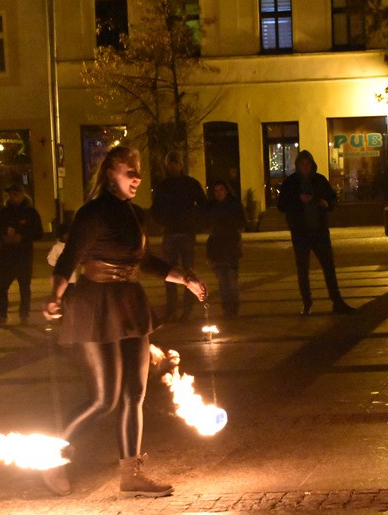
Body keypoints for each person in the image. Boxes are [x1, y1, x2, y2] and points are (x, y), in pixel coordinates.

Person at [42, 146, 207, 497]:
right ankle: (51, 456)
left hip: (129, 304)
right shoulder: (93, 214)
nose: (137, 177)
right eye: (130, 171)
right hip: (94, 305)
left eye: (138, 172)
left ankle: (131, 473)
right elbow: (69, 258)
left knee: (135, 393)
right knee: (104, 399)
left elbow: (145, 260)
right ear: (111, 172)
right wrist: (55, 296)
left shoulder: (134, 215)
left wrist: (186, 279)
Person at [277, 150, 355, 315]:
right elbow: (281, 205)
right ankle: (307, 303)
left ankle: (337, 301)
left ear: (312, 165)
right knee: (303, 269)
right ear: (298, 165)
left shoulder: (319, 180)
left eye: (308, 164)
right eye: (302, 164)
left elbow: (332, 198)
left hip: (319, 230)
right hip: (300, 232)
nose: (305, 167)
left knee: (328, 266)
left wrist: (327, 203)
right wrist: (298, 200)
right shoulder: (290, 183)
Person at [151, 150, 206, 322]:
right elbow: (156, 208)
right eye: (170, 163)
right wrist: (163, 221)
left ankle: (187, 309)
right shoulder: (163, 185)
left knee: (189, 272)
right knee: (169, 272)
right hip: (170, 232)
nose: (173, 166)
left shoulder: (190, 183)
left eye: (176, 163)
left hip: (186, 232)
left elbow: (203, 205)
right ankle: (171, 309)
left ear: (181, 165)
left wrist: (193, 220)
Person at [0, 183, 43, 326]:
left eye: (15, 194)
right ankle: (2, 314)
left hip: (23, 256)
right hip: (6, 256)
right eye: (10, 195)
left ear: (22, 195)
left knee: (24, 287)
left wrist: (22, 237)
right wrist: (3, 236)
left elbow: (38, 233)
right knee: (2, 286)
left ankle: (24, 314)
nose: (12, 197)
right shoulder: (4, 212)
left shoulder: (30, 213)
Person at [205, 180, 246, 319]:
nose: (218, 193)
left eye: (221, 190)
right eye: (216, 191)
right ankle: (227, 309)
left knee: (232, 281)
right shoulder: (211, 206)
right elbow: (205, 222)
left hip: (230, 246)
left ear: (226, 190)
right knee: (222, 282)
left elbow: (241, 222)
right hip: (217, 247)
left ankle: (233, 309)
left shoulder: (234, 205)